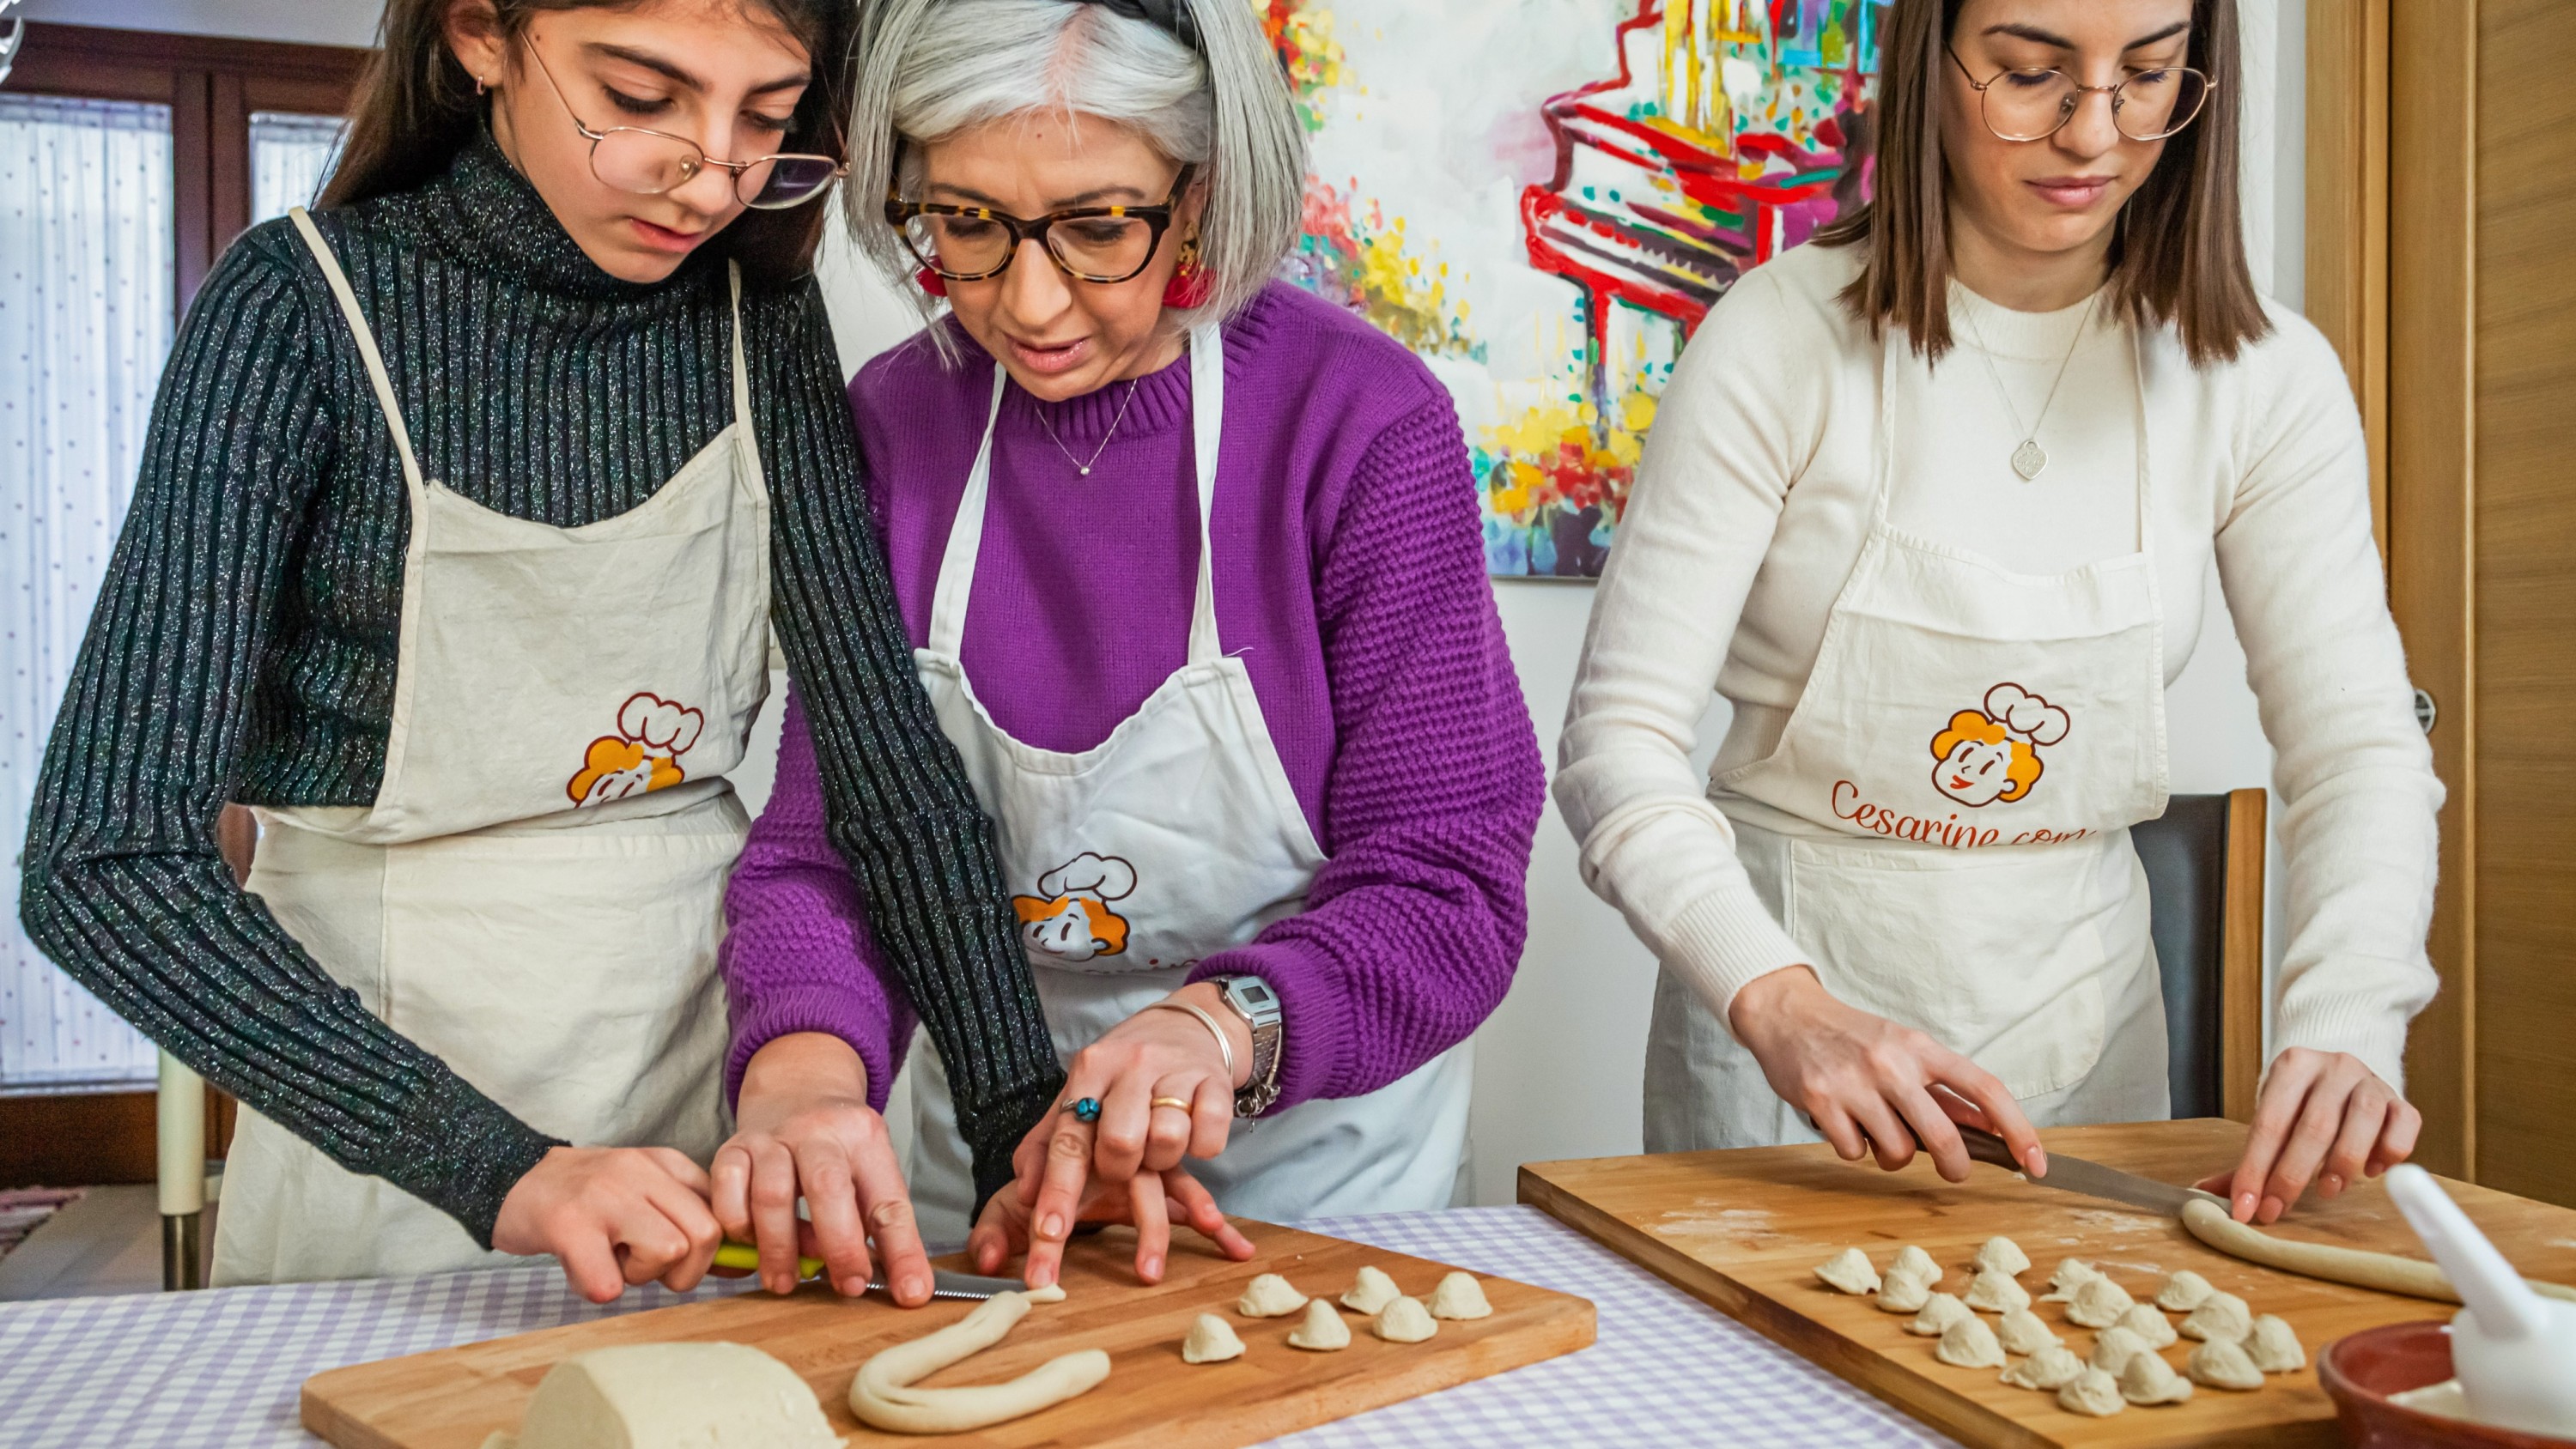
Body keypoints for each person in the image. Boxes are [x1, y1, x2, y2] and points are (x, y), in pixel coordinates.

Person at [19, 0, 1063, 1301]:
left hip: (702, 1096)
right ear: (479, 35)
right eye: (641, 98)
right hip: (387, 1131)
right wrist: (498, 1166)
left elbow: (892, 791)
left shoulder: (758, 324)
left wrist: (1027, 1123)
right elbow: (101, 865)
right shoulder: (297, 310)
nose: (714, 176)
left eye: (767, 117)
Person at [1556, 0, 2439, 1223]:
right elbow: (1618, 749)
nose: (2093, 133)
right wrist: (1780, 1003)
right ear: (1933, 57)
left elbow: (2357, 746)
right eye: (2030, 74)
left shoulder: (2260, 381)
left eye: (2146, 76)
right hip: (1790, 1066)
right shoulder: (1781, 339)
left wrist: (2351, 1014)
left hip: (2092, 1058)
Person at [714, 0, 1543, 1292]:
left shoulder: (1361, 425)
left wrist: (1218, 1028)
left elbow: (1449, 885)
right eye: (968, 224)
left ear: (1202, 196)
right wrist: (805, 1084)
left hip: (1315, 1173)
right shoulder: (899, 424)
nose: (1027, 303)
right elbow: (827, 852)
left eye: (1100, 226)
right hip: (985, 1155)